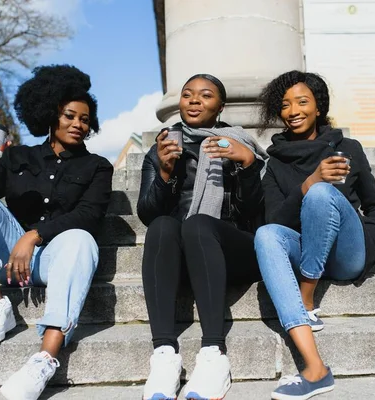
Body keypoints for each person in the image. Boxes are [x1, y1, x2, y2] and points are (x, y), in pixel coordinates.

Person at [0, 65, 113, 400]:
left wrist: (33, 235)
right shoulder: (17, 156)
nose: (78, 124)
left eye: (85, 119)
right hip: (10, 258)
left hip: (55, 256)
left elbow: (89, 216)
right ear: (51, 114)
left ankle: (45, 357)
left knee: (82, 239)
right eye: (69, 115)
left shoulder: (97, 167)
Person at [254, 70, 375, 400]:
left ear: (319, 107)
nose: (293, 110)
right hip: (303, 250)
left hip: (346, 255)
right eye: (285, 105)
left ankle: (307, 295)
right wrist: (309, 180)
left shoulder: (348, 149)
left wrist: (369, 241)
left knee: (322, 195)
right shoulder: (275, 163)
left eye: (302, 102)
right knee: (265, 234)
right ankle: (315, 369)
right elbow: (275, 220)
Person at [138, 74, 268, 400]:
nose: (194, 100)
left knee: (197, 224)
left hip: (232, 247)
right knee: (164, 226)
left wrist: (248, 165)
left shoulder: (237, 143)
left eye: (205, 95)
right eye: (187, 94)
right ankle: (164, 355)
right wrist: (165, 173)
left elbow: (255, 210)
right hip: (181, 256)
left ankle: (214, 354)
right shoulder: (163, 147)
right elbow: (148, 215)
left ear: (220, 106)